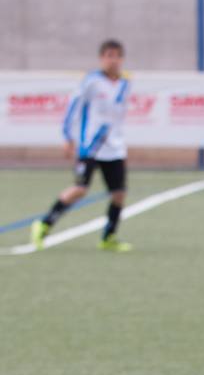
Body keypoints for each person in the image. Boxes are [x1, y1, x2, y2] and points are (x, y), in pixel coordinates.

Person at [30, 39, 133, 253]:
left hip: (114, 149)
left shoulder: (125, 84)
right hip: (91, 147)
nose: (113, 60)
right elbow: (73, 108)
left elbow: (117, 118)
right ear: (101, 58)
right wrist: (68, 137)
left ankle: (109, 237)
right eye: (108, 56)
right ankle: (44, 224)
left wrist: (121, 143)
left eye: (117, 56)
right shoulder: (91, 82)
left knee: (119, 193)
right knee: (79, 189)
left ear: (122, 59)